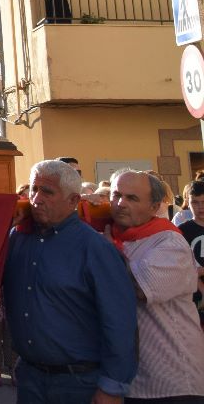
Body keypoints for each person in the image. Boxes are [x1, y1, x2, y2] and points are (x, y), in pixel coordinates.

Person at [2, 158, 136, 404]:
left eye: (47, 192)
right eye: (34, 189)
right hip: (30, 378)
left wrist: (112, 387)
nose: (36, 199)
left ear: (74, 200)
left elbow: (119, 321)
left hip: (79, 384)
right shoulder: (16, 238)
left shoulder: (94, 248)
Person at [109, 169, 204, 401]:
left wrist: (104, 252)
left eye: (132, 198)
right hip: (130, 382)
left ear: (154, 207)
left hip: (172, 382)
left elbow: (137, 289)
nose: (120, 203)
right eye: (115, 195)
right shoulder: (113, 234)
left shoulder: (168, 241)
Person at [176, 180, 204, 322]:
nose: (201, 207)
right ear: (188, 202)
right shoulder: (182, 230)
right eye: (195, 202)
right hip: (193, 296)